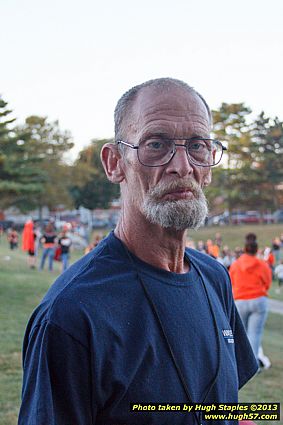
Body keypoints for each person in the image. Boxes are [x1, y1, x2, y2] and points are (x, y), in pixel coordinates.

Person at [18, 78, 258, 425]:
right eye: (156, 144)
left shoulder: (215, 277)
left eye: (198, 146)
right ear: (114, 163)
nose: (183, 166)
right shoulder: (71, 315)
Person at [229, 239, 272, 365]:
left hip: (240, 299)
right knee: (255, 334)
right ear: (256, 250)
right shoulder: (261, 264)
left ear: (245, 249)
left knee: (240, 334)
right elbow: (267, 282)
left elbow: (231, 281)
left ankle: (239, 362)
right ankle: (252, 365)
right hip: (258, 299)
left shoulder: (236, 264)